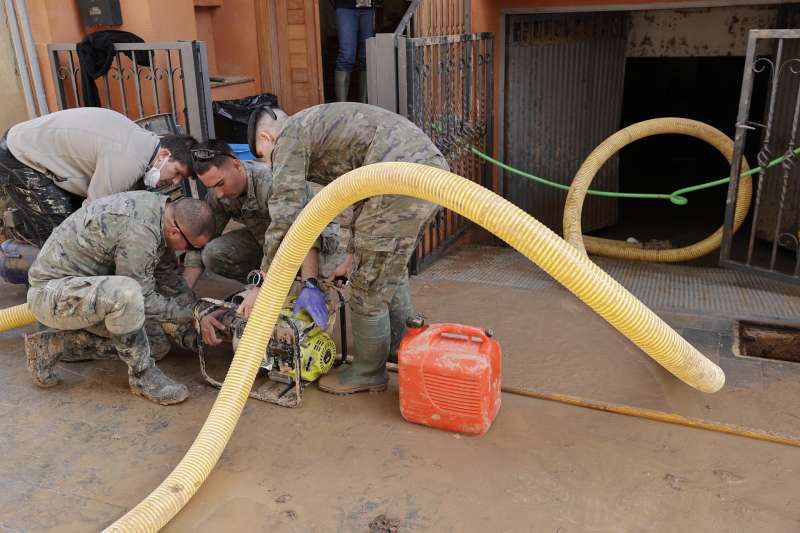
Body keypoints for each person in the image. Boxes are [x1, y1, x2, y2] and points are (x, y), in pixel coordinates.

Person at [243, 101, 449, 395]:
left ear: (266, 139)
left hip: (399, 178)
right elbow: (358, 193)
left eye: (267, 158)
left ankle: (368, 372)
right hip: (425, 169)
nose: (272, 165)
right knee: (386, 267)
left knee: (367, 287)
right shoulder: (317, 124)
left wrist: (262, 282)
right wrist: (352, 255)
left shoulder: (288, 136)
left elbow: (284, 217)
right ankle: (398, 346)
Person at [24, 191, 215, 405]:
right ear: (175, 231)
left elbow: (168, 277)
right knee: (127, 293)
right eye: (191, 247)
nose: (190, 252)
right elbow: (143, 300)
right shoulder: (141, 232)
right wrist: (193, 314)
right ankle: (143, 377)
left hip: (82, 292)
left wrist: (197, 313)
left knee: (155, 345)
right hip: (53, 295)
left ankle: (56, 344)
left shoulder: (160, 212)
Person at [184, 139, 343, 346]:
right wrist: (183, 295)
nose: (219, 193)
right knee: (213, 253)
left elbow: (304, 233)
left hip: (315, 237)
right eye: (211, 187)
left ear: (237, 165)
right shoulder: (219, 195)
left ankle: (291, 287)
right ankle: (272, 288)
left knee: (311, 295)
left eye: (220, 184)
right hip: (269, 240)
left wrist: (309, 284)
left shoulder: (272, 182)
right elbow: (201, 243)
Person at [0, 107, 197, 246]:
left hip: (41, 152)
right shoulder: (129, 160)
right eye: (177, 172)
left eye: (182, 178)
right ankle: (48, 293)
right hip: (20, 155)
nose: (176, 181)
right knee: (59, 238)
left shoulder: (146, 146)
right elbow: (93, 213)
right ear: (164, 155)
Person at [334, 0, 375, 102]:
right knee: (346, 56)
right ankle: (342, 107)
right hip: (345, 8)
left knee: (366, 56)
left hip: (368, 9)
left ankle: (364, 105)